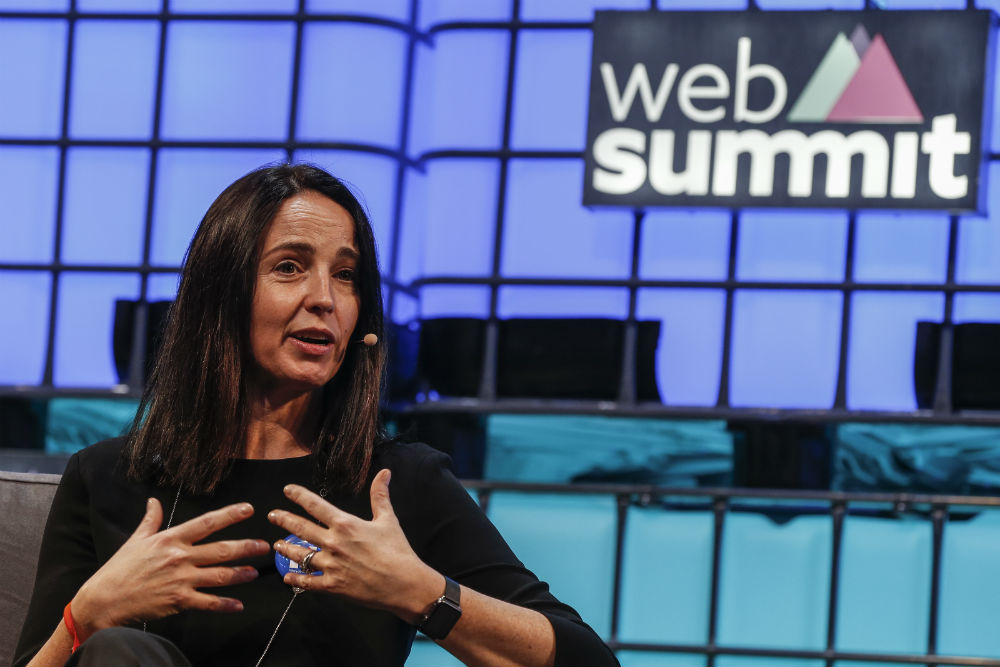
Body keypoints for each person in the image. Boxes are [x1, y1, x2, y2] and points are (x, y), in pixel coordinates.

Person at [14, 164, 619, 667]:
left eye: (346, 275)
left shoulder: (395, 484)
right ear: (220, 295)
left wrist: (422, 593)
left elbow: (586, 659)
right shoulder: (107, 477)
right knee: (118, 651)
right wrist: (85, 616)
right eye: (290, 267)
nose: (325, 298)